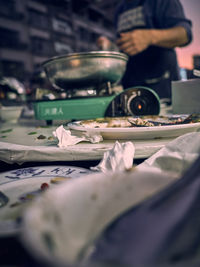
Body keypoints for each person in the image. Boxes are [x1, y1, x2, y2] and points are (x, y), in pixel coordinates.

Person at [97, 0, 193, 100]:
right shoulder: (120, 8)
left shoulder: (161, 2)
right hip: (130, 87)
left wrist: (150, 37)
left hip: (162, 89)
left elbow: (185, 34)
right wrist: (111, 47)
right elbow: (124, 44)